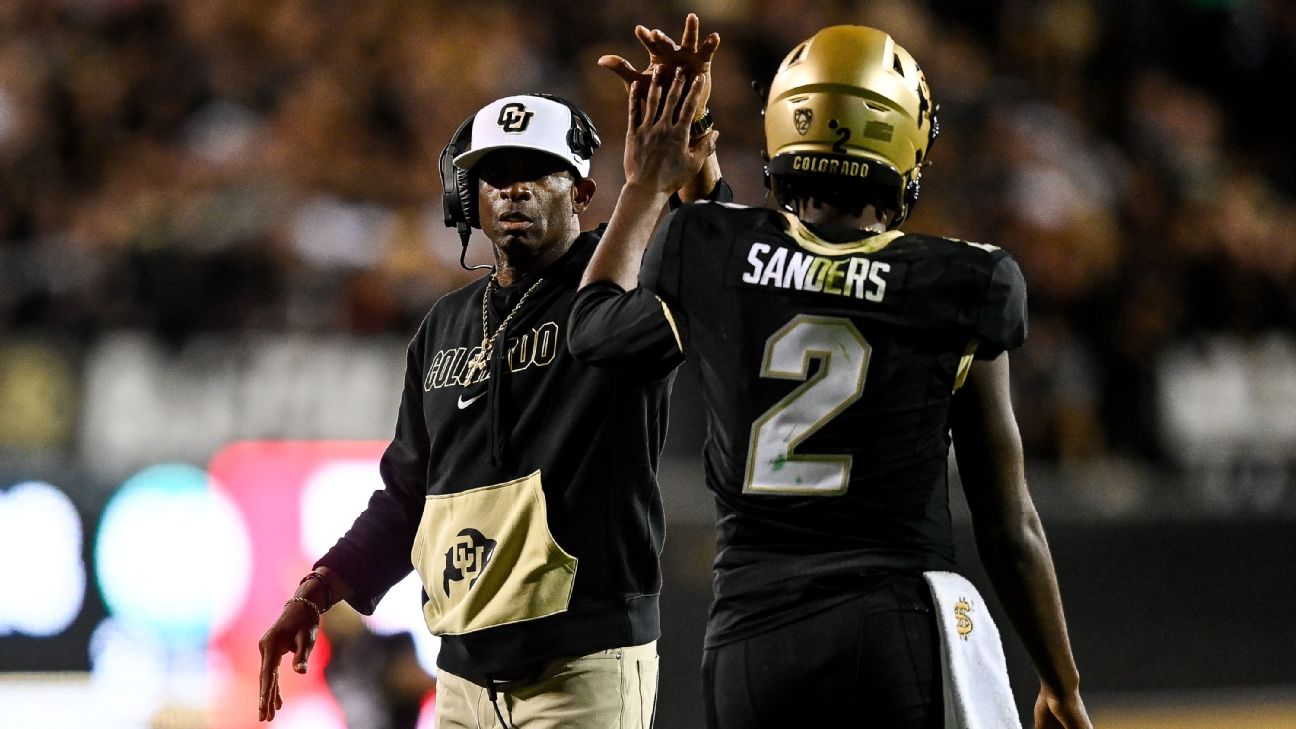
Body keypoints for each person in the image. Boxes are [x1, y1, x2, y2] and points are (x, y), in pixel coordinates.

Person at [569, 24, 1092, 729]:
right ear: (905, 140)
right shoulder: (963, 280)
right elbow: (1009, 521)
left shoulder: (709, 247)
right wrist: (1061, 680)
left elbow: (597, 322)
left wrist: (648, 178)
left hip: (751, 639)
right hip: (890, 623)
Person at [255, 18, 727, 727]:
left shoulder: (617, 291)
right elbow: (407, 497)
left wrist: (692, 168)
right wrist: (318, 590)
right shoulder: (444, 325)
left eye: (538, 172)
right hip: (461, 677)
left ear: (584, 192)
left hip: (584, 667)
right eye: (495, 176)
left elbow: (721, 277)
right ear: (467, 198)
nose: (514, 191)